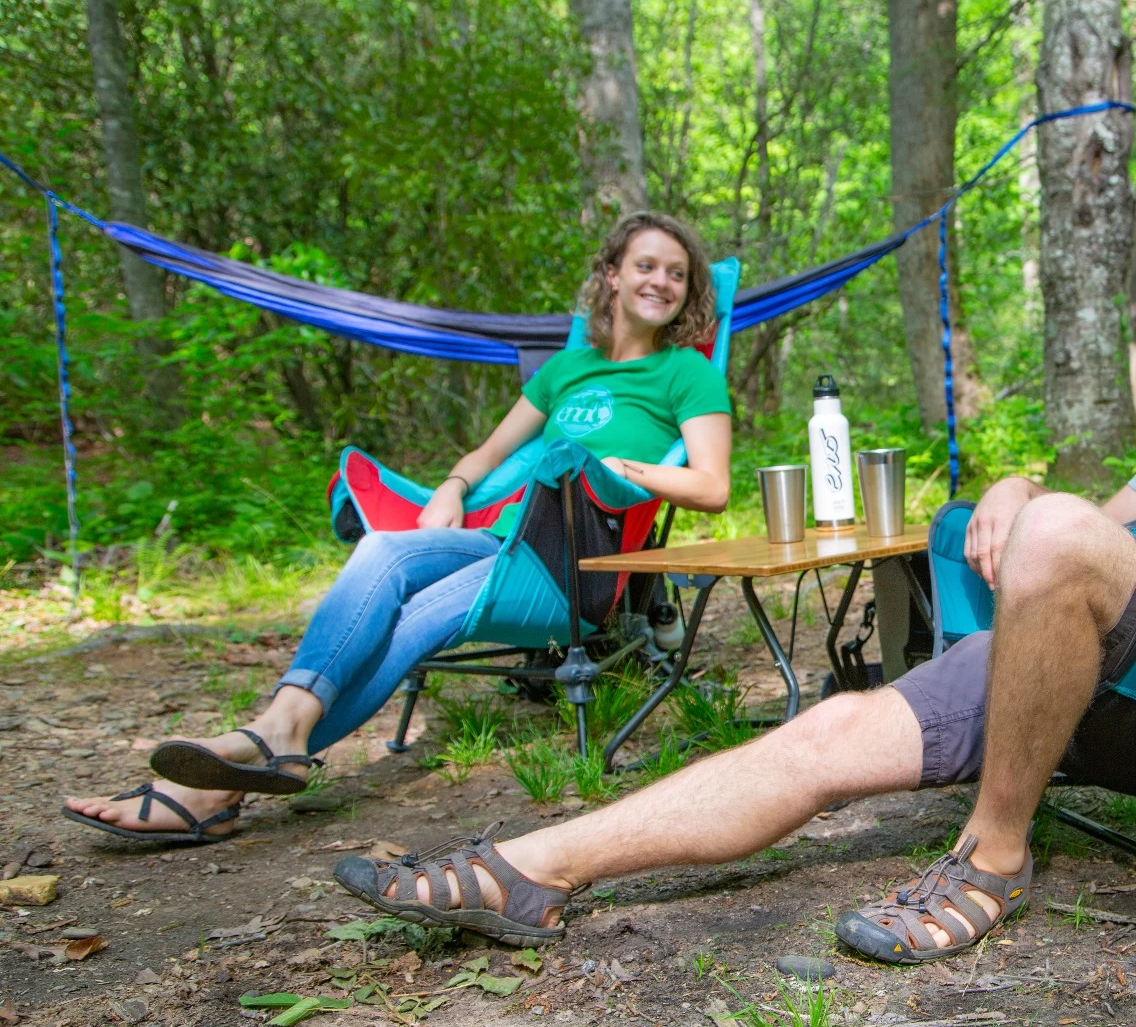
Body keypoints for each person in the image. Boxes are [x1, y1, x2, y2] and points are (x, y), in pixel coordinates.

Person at [329, 178, 1136, 961]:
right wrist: (1020, 489)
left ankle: (994, 856)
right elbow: (1111, 525)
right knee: (830, 731)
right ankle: (529, 871)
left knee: (1057, 532)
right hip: (1104, 657)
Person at [63, 212, 734, 845]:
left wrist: (619, 468)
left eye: (677, 274)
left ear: (688, 290)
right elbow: (489, 454)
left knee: (415, 617)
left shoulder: (686, 372)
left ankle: (225, 777)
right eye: (646, 265)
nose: (661, 282)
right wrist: (454, 487)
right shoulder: (567, 368)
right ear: (612, 274)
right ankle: (276, 734)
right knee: (384, 548)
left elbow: (712, 487)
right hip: (503, 541)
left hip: (573, 566)